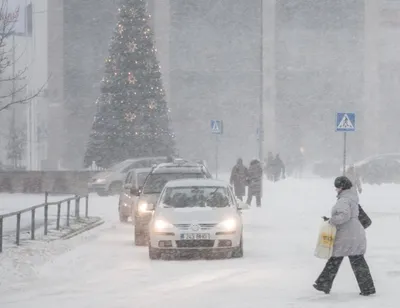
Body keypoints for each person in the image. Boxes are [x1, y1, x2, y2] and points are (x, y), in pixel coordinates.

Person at [313, 176, 376, 296]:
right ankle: (367, 288)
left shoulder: (344, 200)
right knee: (356, 261)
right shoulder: (351, 198)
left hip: (347, 235)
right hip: (354, 234)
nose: (335, 189)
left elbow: (344, 216)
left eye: (337, 187)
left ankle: (323, 284)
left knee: (336, 259)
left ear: (341, 187)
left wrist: (331, 221)